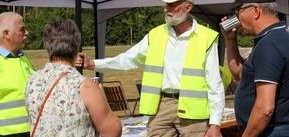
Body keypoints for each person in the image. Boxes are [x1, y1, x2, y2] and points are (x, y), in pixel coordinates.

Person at [76, 0, 225, 136]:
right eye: (166, 5)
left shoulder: (206, 38)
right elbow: (128, 60)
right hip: (161, 108)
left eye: (172, 5)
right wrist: (93, 64)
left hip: (195, 113)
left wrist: (215, 124)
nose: (166, 9)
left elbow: (215, 84)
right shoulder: (156, 34)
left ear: (188, 8)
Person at [25, 19, 122, 137]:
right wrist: (102, 99)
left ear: (48, 50)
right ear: (77, 50)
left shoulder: (32, 80)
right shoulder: (85, 86)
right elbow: (113, 131)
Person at [222, 0, 289, 136]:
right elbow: (240, 73)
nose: (237, 19)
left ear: (256, 10)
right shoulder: (277, 37)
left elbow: (265, 108)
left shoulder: (268, 45)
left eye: (238, 12)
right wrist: (230, 40)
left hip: (272, 130)